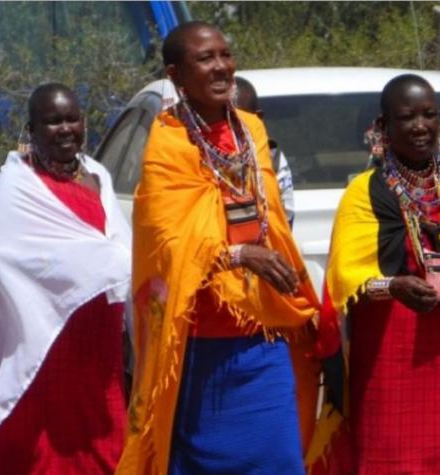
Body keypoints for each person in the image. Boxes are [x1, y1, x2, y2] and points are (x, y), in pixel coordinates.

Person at [117, 21, 320, 475]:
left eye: (225, 55)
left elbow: (272, 220)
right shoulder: (167, 140)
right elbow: (167, 245)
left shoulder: (251, 130)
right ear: (175, 75)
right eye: (205, 58)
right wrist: (238, 255)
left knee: (280, 462)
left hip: (263, 332)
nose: (221, 66)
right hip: (198, 345)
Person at [309, 74, 440, 474]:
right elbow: (347, 281)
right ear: (384, 127)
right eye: (407, 117)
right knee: (395, 460)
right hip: (390, 354)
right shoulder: (364, 192)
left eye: (429, 115)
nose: (420, 126)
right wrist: (393, 287)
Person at [0, 83, 131, 475]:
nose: (65, 129)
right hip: (44, 341)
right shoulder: (18, 185)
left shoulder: (98, 175)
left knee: (105, 448)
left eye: (72, 119)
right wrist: (65, 274)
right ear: (31, 130)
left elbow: (121, 250)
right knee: (42, 452)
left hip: (99, 346)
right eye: (52, 122)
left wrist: (106, 266)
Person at [235, 76, 296, 226]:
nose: (228, 126)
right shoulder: (198, 152)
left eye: (238, 119)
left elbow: (285, 217)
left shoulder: (273, 158)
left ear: (258, 118)